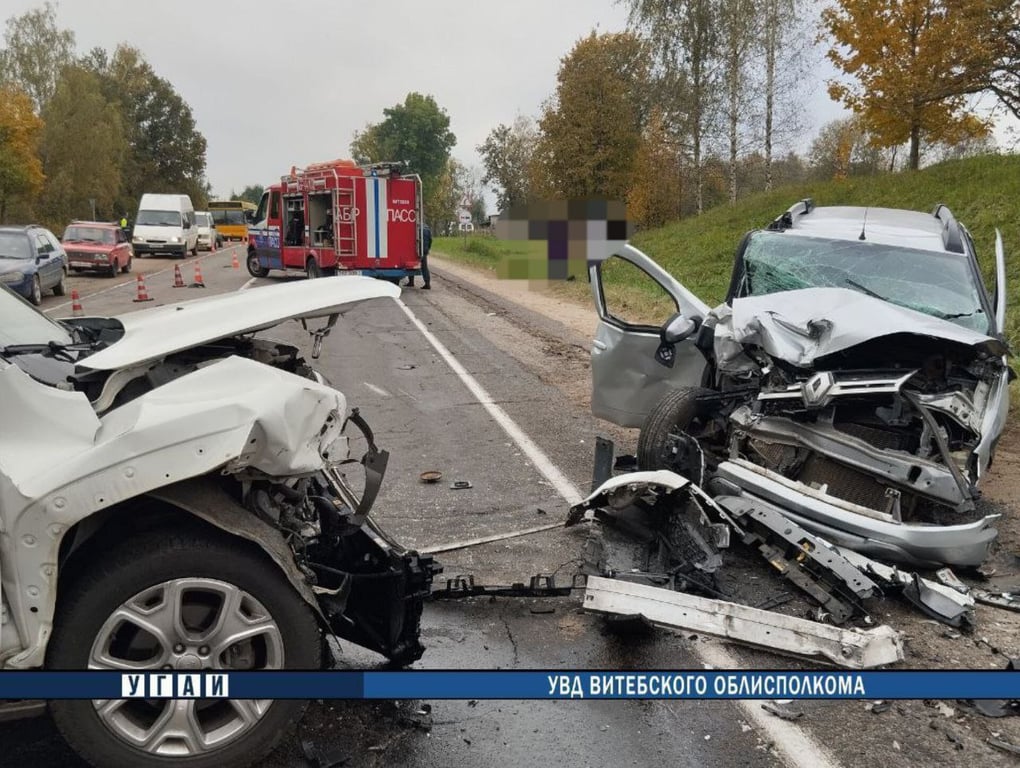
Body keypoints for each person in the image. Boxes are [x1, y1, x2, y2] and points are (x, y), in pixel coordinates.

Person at [407, 222, 432, 289]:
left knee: (412, 265)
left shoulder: (415, 227)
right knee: (424, 267)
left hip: (416, 249)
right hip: (424, 250)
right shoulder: (427, 228)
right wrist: (428, 248)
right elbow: (430, 240)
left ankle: (411, 282)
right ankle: (427, 283)